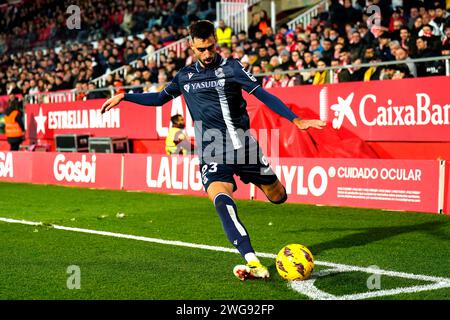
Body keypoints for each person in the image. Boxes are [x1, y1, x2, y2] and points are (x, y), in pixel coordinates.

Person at [101, 20, 325, 280]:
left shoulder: (232, 68)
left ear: (215, 43)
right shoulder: (185, 76)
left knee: (279, 196)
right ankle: (251, 260)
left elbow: (263, 94)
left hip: (244, 147)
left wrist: (295, 119)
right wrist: (125, 96)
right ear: (191, 46)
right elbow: (160, 98)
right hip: (212, 150)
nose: (207, 54)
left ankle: (262, 205)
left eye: (210, 48)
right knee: (220, 197)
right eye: (201, 49)